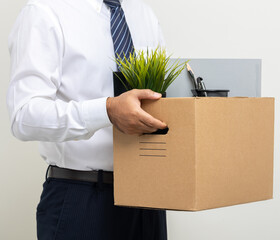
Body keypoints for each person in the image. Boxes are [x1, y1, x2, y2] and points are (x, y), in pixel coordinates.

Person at [7, 0, 168, 239]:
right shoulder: (45, 11)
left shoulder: (142, 13)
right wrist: (106, 110)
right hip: (81, 197)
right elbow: (24, 115)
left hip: (148, 196)